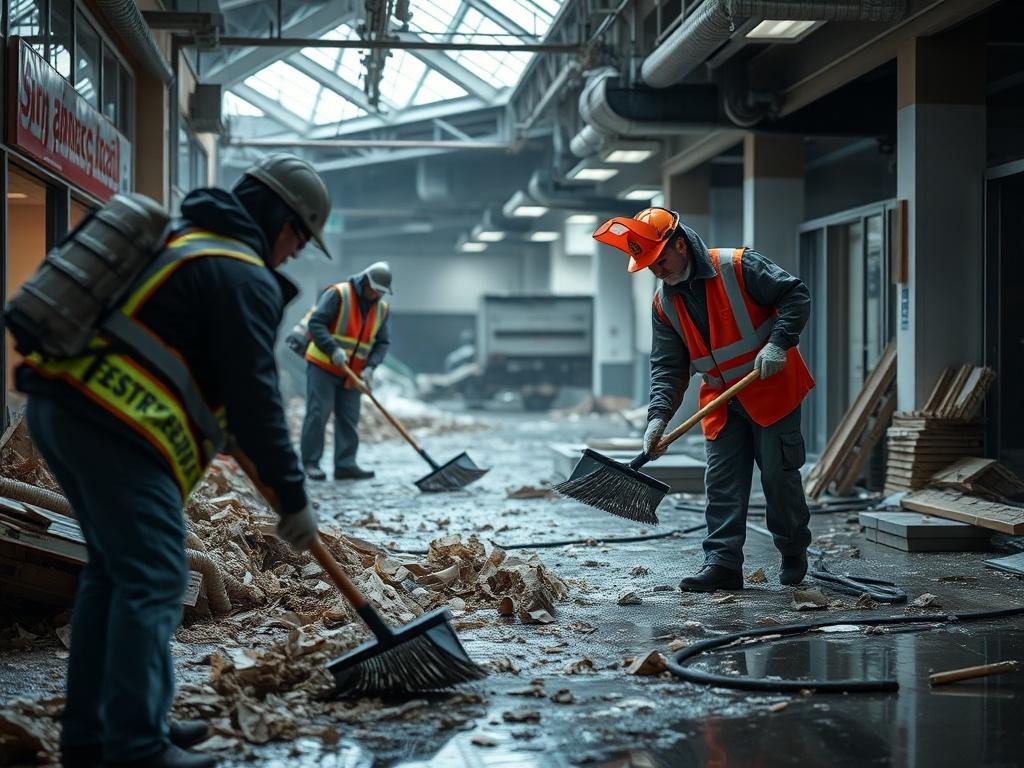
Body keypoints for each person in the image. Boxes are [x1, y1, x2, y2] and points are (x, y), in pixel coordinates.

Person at [17, 154, 327, 768]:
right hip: (115, 430)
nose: (295, 253)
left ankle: (99, 732)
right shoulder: (240, 272)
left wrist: (221, 422)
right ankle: (134, 745)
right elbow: (258, 400)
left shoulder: (185, 243)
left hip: (64, 410)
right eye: (299, 237)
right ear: (279, 218)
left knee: (114, 574)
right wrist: (293, 498)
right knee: (155, 575)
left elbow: (189, 363)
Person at [593, 208, 814, 592]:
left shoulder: (738, 266)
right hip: (722, 401)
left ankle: (793, 550)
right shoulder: (664, 305)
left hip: (771, 390)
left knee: (778, 478)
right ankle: (722, 563)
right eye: (649, 266)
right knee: (722, 483)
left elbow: (795, 294)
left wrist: (779, 344)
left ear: (680, 245)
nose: (657, 271)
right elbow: (668, 366)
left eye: (660, 260)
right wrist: (658, 417)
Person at [300, 262, 392, 480]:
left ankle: (345, 464)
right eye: (375, 289)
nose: (377, 295)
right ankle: (311, 463)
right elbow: (316, 324)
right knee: (318, 414)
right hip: (324, 365)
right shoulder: (338, 294)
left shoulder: (381, 309)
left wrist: (370, 367)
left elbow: (382, 343)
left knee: (349, 418)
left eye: (381, 292)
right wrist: (332, 349)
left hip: (354, 373)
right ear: (365, 282)